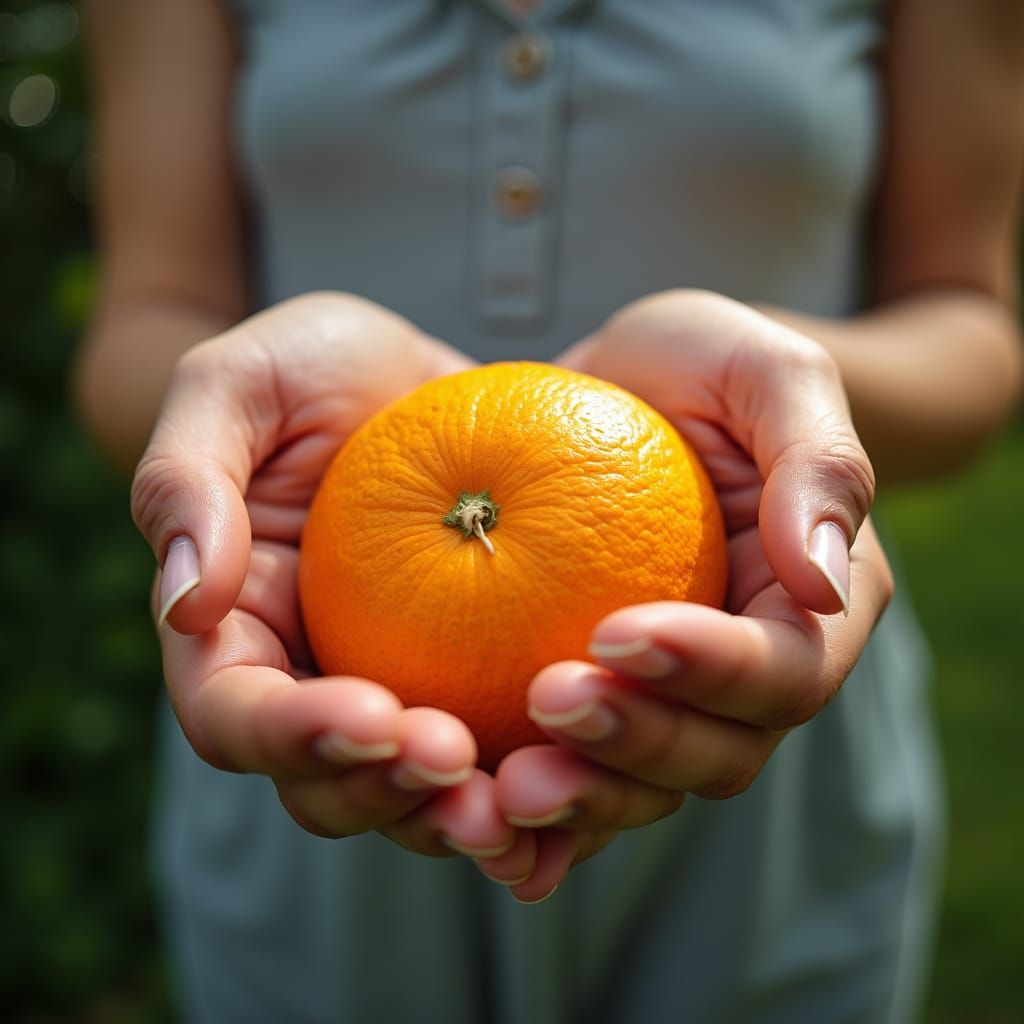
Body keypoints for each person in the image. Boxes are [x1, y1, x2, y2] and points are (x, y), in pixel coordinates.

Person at [76, 0, 1023, 1021]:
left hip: (762, 667)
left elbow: (968, 324)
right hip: (311, 678)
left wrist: (779, 400)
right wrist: (227, 414)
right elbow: (145, 312)